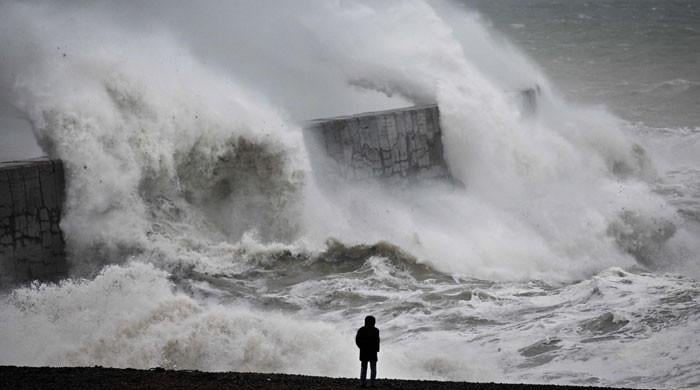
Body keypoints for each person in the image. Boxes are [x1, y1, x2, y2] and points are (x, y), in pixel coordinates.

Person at [355, 315, 380, 387]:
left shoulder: (361, 330)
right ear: (373, 322)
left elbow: (357, 340)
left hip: (364, 351)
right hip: (373, 351)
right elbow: (377, 341)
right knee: (373, 368)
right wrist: (377, 349)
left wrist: (361, 347)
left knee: (364, 368)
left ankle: (362, 383)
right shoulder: (376, 330)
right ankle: (372, 383)